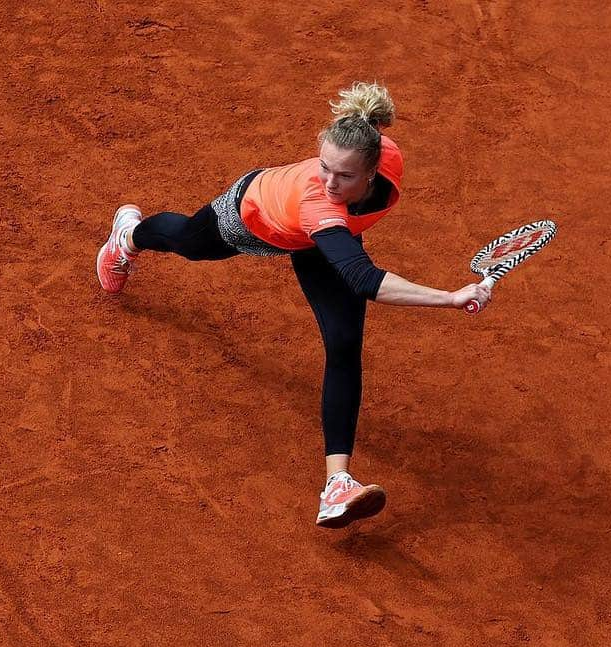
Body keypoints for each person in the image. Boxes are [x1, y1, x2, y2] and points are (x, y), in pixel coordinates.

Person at [95, 82, 491, 529]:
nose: (329, 181)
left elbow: (350, 246)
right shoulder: (318, 199)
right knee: (187, 241)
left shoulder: (382, 154)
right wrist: (452, 297)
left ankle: (337, 484)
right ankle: (127, 236)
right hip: (255, 216)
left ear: (373, 173)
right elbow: (363, 280)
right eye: (324, 168)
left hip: (328, 237)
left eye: (343, 175)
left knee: (344, 347)